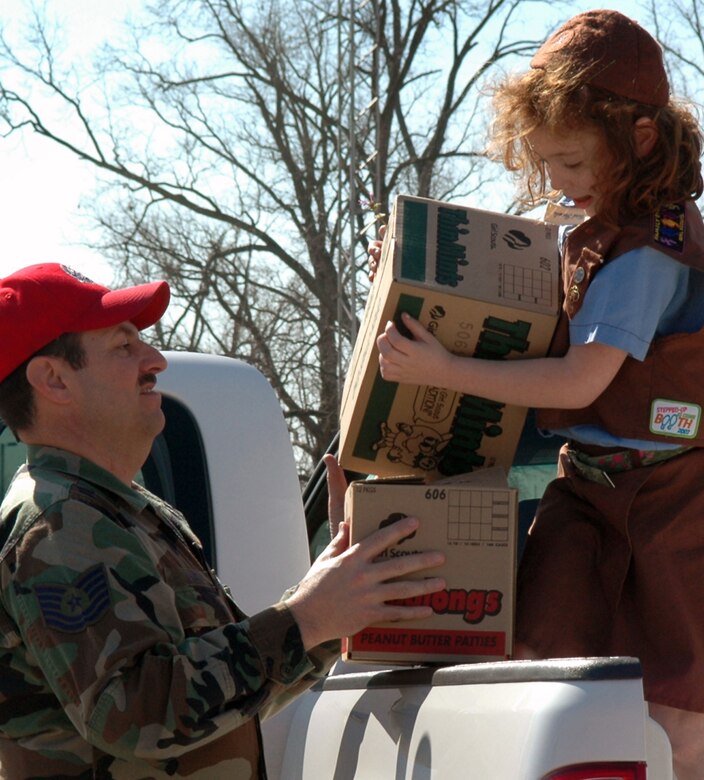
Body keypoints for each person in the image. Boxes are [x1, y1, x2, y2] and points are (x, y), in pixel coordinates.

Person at [372, 10, 704, 779]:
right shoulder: (585, 234)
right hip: (583, 492)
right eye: (546, 163)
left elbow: (580, 378)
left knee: (681, 711)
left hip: (675, 500)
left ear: (640, 144)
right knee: (537, 666)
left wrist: (441, 371)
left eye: (573, 164)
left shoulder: (651, 252)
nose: (557, 182)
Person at [0, 263, 447, 779]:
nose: (155, 360)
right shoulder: (58, 523)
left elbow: (214, 703)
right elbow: (134, 714)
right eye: (124, 347)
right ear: (54, 379)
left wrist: (327, 611)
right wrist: (305, 618)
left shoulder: (115, 510)